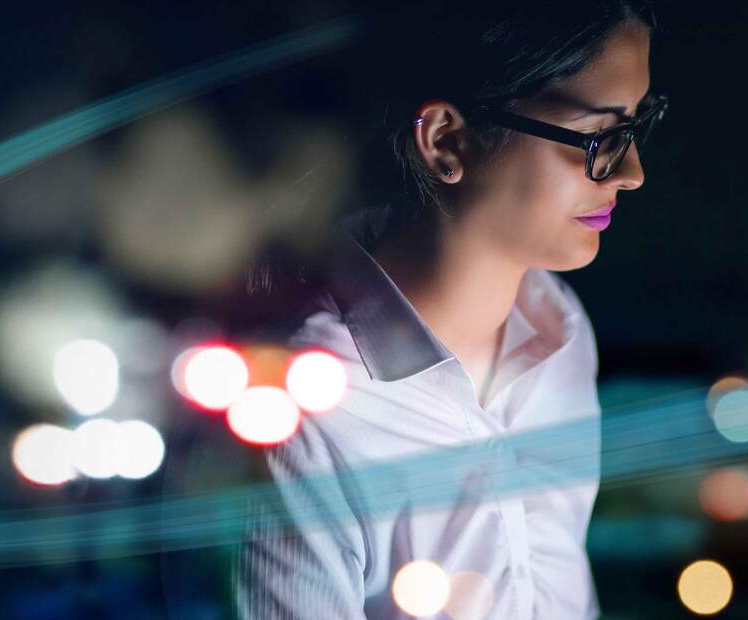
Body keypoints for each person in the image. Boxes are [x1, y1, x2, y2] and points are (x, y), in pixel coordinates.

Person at [234, 3, 665, 618]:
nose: (632, 173)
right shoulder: (311, 403)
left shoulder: (562, 335)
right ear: (445, 140)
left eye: (636, 126)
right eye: (599, 136)